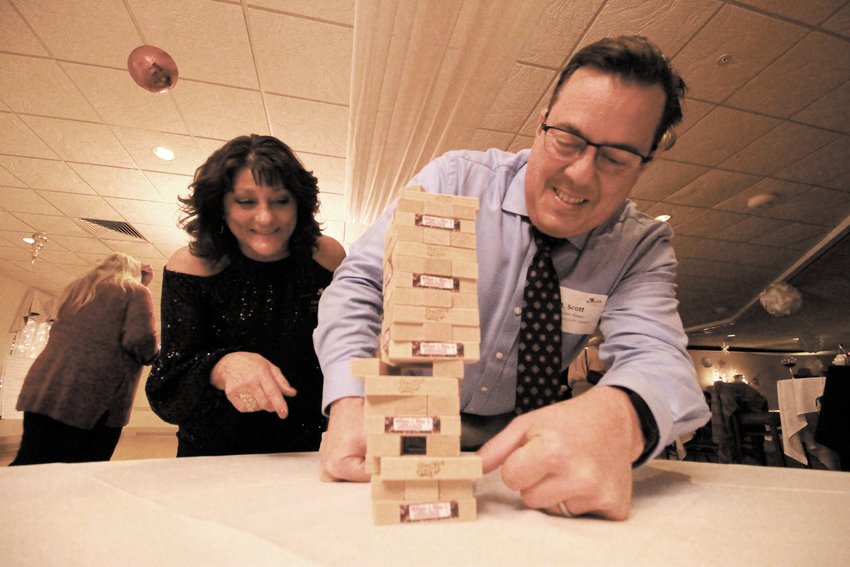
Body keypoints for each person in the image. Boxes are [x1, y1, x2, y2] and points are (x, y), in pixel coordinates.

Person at [314, 35, 711, 520]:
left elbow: (661, 356)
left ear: (647, 162)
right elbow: (359, 286)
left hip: (530, 455)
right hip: (404, 429)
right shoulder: (455, 182)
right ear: (542, 122)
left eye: (616, 158)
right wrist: (350, 400)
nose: (582, 175)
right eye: (567, 139)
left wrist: (621, 415)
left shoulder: (640, 247)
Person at [146, 134, 345, 457]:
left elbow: (347, 347)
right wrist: (220, 365)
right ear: (220, 207)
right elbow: (167, 387)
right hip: (212, 453)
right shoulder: (192, 265)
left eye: (280, 200)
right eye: (246, 201)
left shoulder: (326, 257)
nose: (265, 217)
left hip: (307, 449)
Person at [11, 253, 158, 465]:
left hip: (43, 391)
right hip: (92, 399)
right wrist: (155, 355)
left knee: (31, 461)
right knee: (83, 466)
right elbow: (140, 339)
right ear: (131, 273)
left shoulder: (76, 292)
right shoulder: (134, 292)